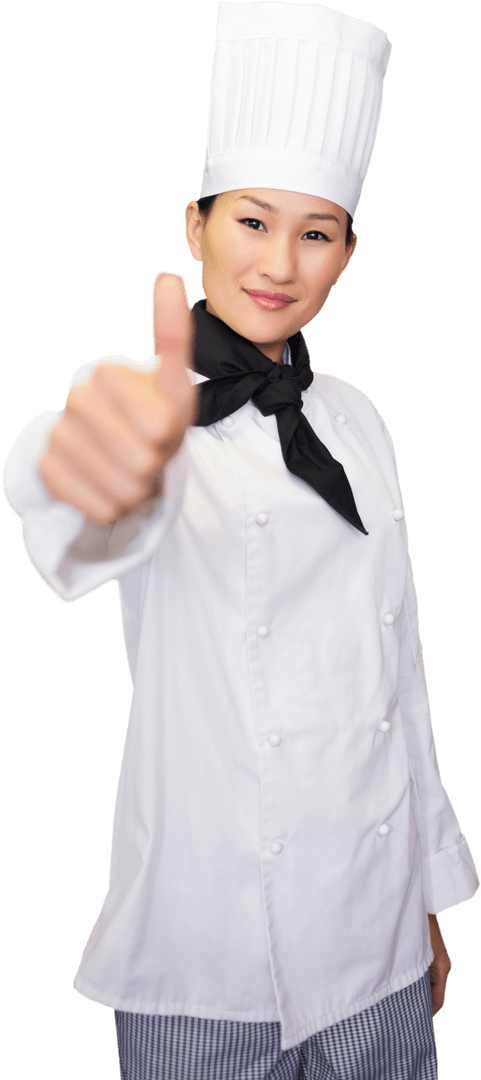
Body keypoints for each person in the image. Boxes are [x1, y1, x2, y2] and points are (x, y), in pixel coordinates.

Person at [3, 4, 479, 1079]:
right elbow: (78, 497)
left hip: (380, 951)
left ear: (350, 252)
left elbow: (398, 677)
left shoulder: (361, 422)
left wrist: (422, 902)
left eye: (316, 232)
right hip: (205, 965)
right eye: (252, 222)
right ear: (194, 226)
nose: (280, 262)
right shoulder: (143, 403)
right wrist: (81, 474)